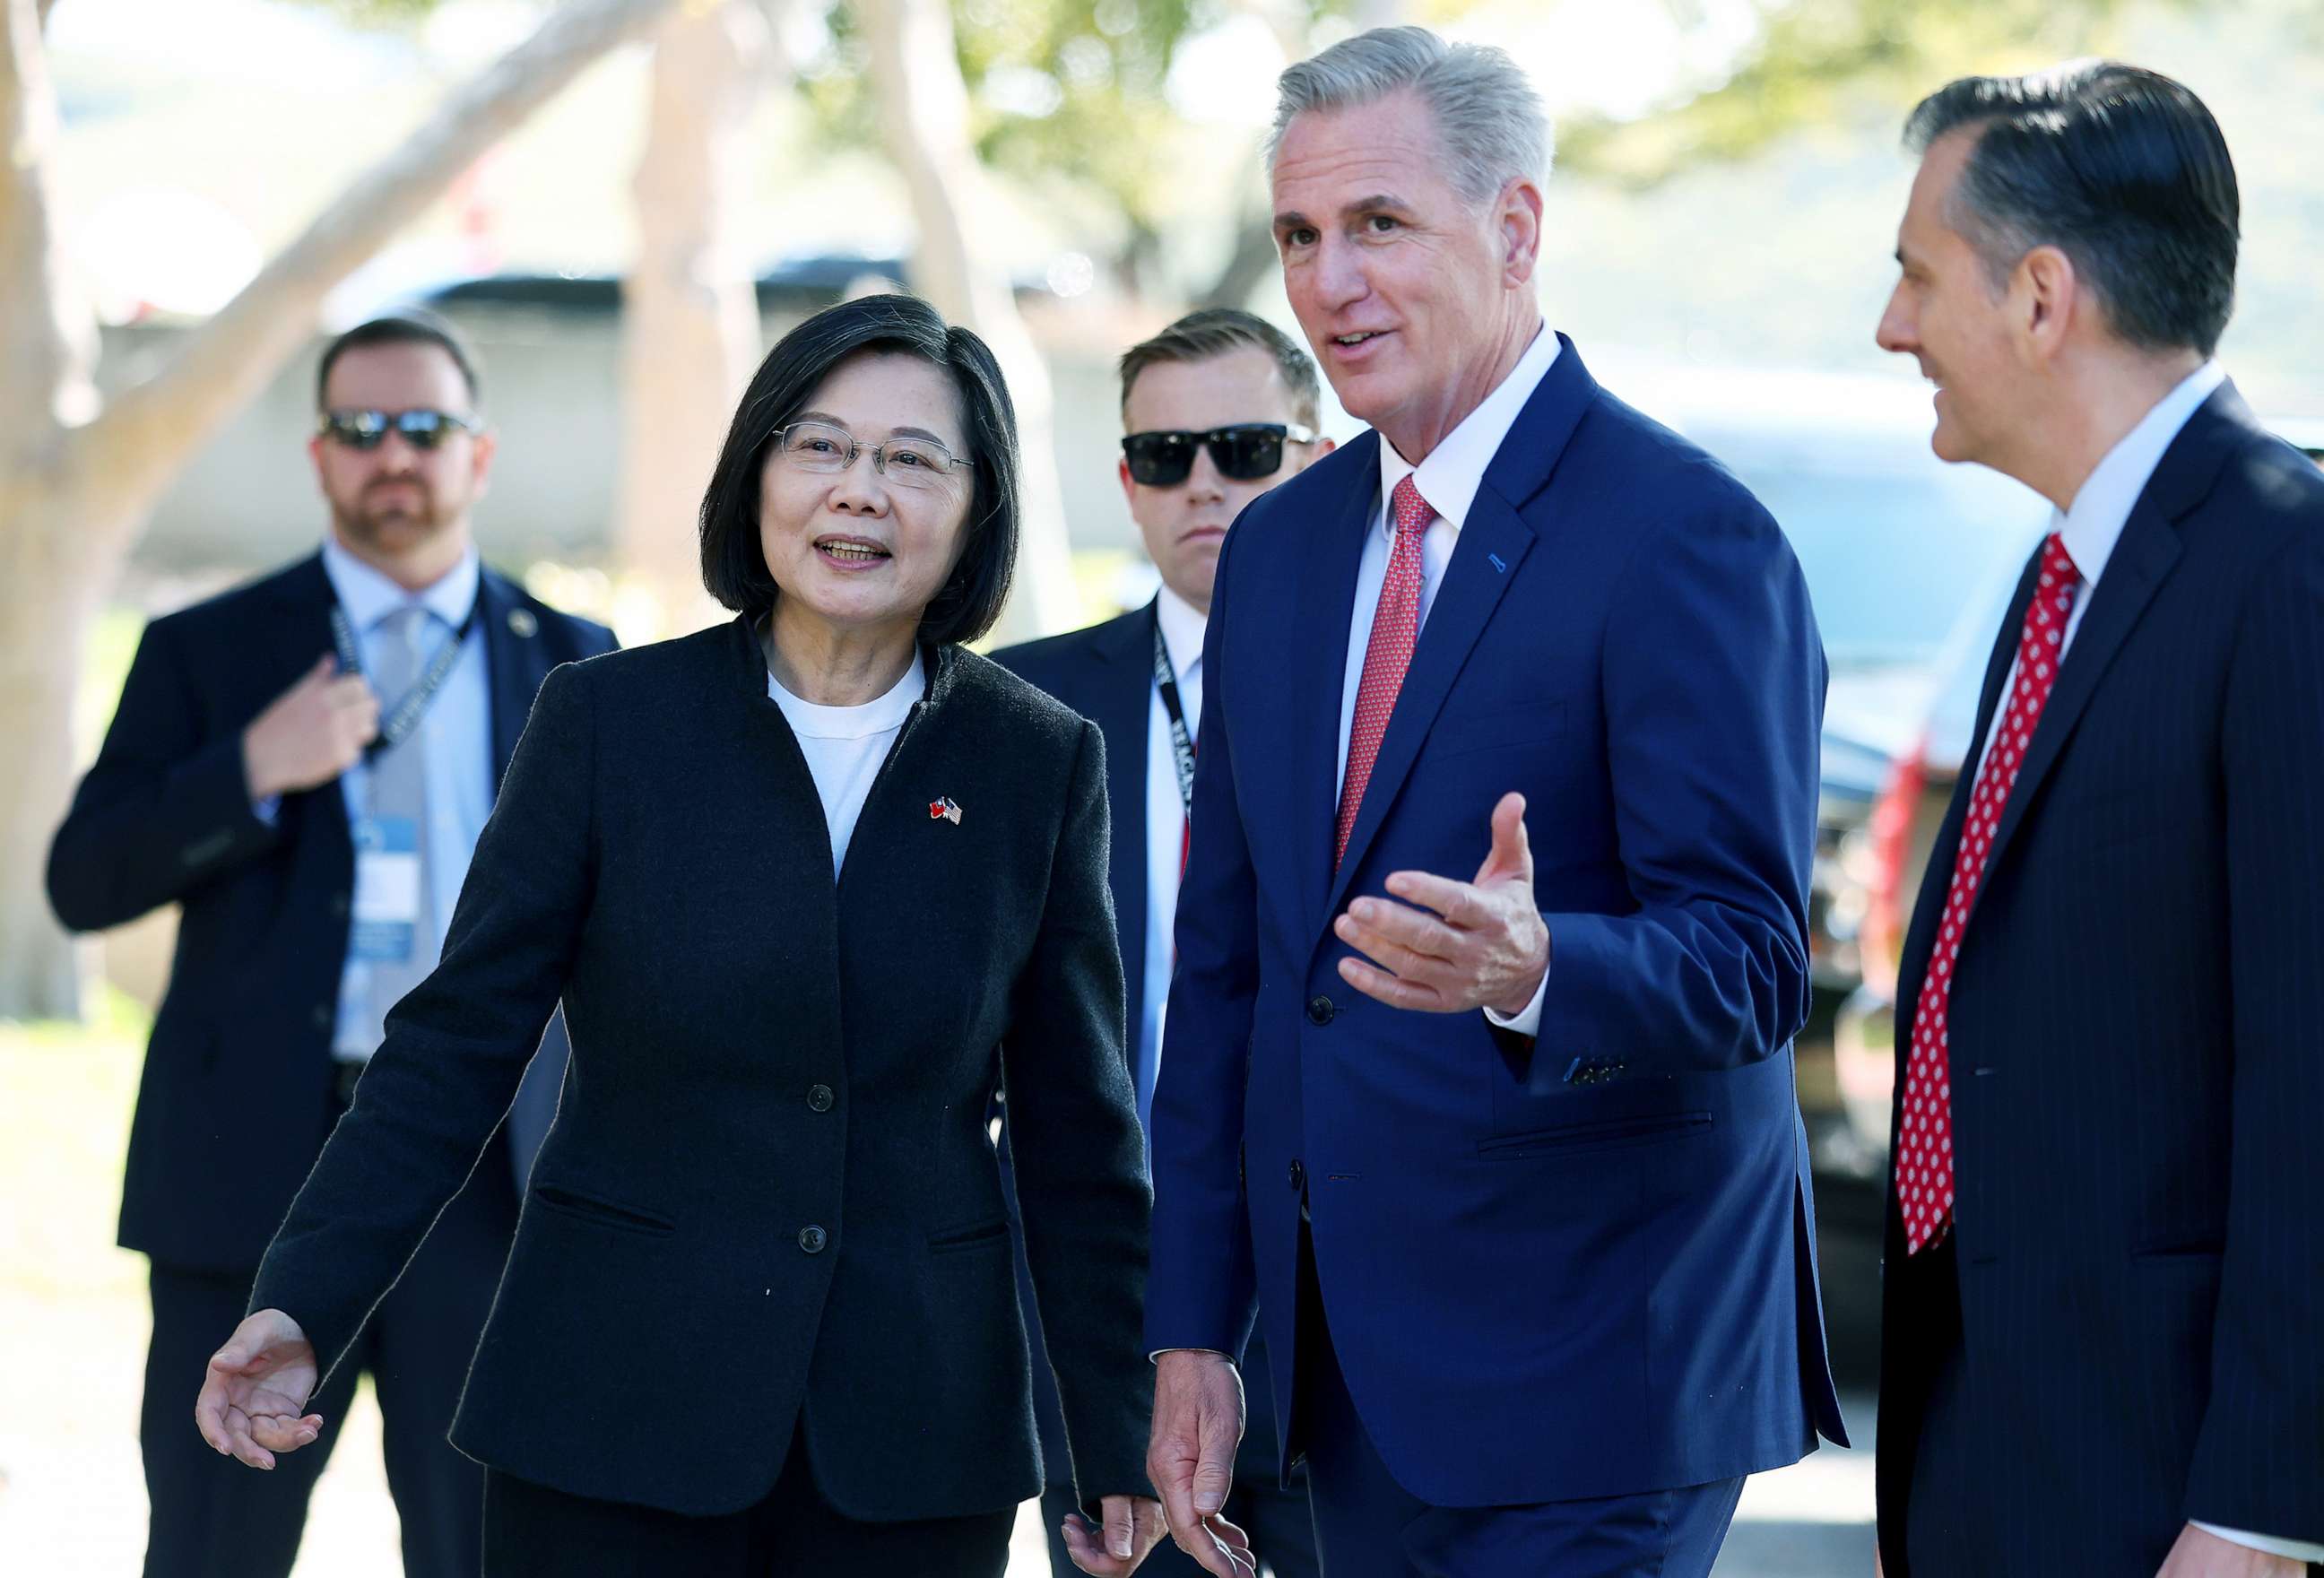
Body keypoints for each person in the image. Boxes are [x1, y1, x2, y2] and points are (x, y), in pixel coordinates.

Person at [188, 292, 1168, 1578]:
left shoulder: (1038, 762)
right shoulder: (610, 725)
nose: (858, 492)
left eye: (911, 459)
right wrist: (305, 1298)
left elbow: (1075, 1133)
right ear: (755, 475)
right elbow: (452, 1048)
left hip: (912, 1435)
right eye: (818, 447)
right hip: (611, 1407)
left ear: (977, 504)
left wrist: (1115, 1434)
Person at [1140, 26, 1847, 1578]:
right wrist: (1196, 1329)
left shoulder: (1687, 538)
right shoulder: (1278, 553)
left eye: (1380, 224)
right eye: (1302, 237)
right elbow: (1229, 975)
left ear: (1515, 228)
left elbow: (1751, 962)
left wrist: (1539, 969)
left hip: (1602, 1373)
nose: (1331, 282)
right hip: (1347, 1383)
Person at [46, 310, 612, 1578]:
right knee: (213, 1548)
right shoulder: (210, 650)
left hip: (486, 1179)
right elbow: (83, 880)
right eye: (361, 430)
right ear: (319, 457)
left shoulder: (577, 665)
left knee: (488, 1551)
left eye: (425, 427)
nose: (392, 455)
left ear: (480, 452)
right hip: (254, 1169)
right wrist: (248, 769)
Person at [1871, 63, 2324, 1577]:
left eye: (1917, 278)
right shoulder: (2063, 575)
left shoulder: (2288, 566)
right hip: (1997, 1447)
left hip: (2175, 1493)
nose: (1894, 327)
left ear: (2042, 296)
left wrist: (2264, 1508)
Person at [996, 308, 1331, 1578]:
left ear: (1317, 453)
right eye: (1164, 455)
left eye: (1245, 448)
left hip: (1358, 1299)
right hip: (1117, 1309)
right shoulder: (1023, 707)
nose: (1204, 484)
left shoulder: (1409, 671)